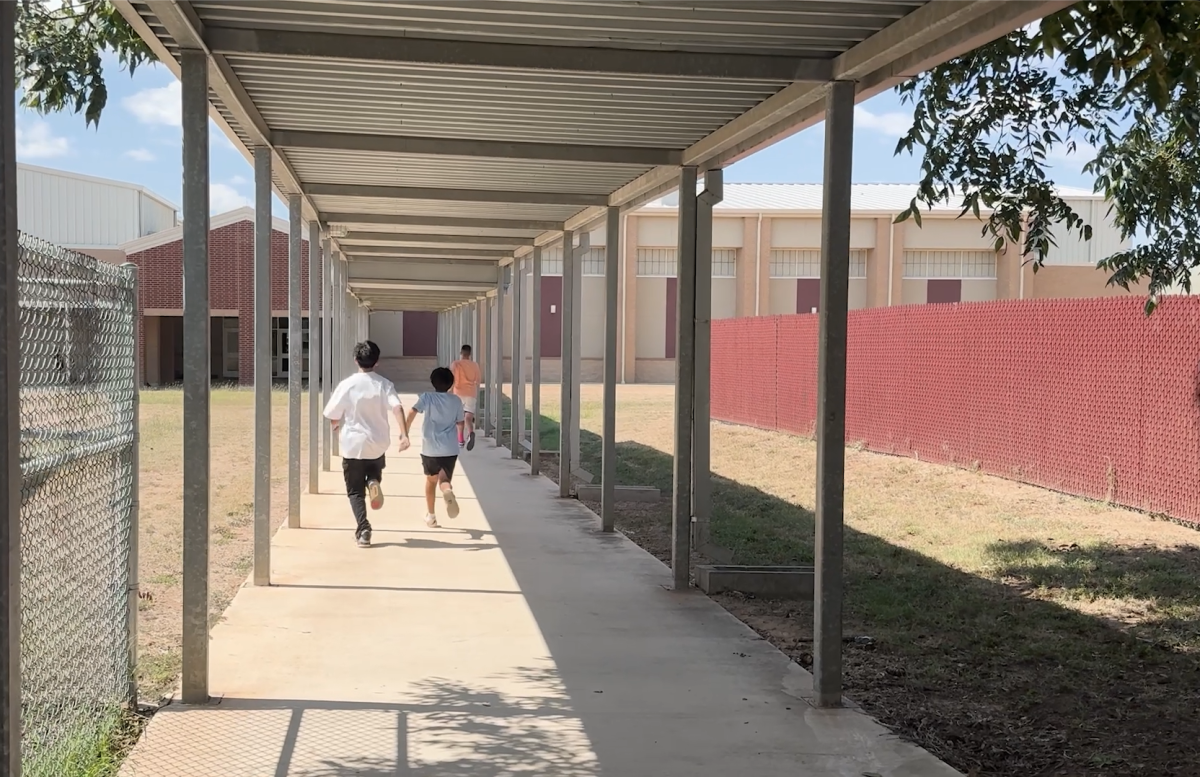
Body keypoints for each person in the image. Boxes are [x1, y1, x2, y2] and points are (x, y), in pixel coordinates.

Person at [323, 341, 410, 548]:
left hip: (353, 444)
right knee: (373, 471)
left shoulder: (347, 384)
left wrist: (336, 427)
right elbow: (397, 407)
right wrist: (404, 434)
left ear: (355, 361)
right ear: (377, 362)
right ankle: (372, 481)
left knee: (354, 491)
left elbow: (333, 414)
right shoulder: (384, 384)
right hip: (378, 443)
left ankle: (364, 530)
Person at [406, 367, 464, 528]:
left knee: (431, 481)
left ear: (432, 382)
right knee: (444, 480)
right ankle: (447, 491)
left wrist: (406, 430)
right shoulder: (456, 400)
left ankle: (431, 516)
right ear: (451, 384)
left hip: (430, 448)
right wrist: (461, 439)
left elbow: (412, 412)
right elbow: (460, 422)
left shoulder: (427, 397)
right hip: (450, 449)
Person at [450, 344, 482, 451]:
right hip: (471, 393)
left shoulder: (455, 364)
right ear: (470, 354)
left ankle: (460, 440)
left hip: (458, 393)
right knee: (468, 417)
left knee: (458, 418)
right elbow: (477, 381)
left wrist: (449, 390)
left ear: (461, 353)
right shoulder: (475, 365)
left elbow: (451, 379)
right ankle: (470, 432)